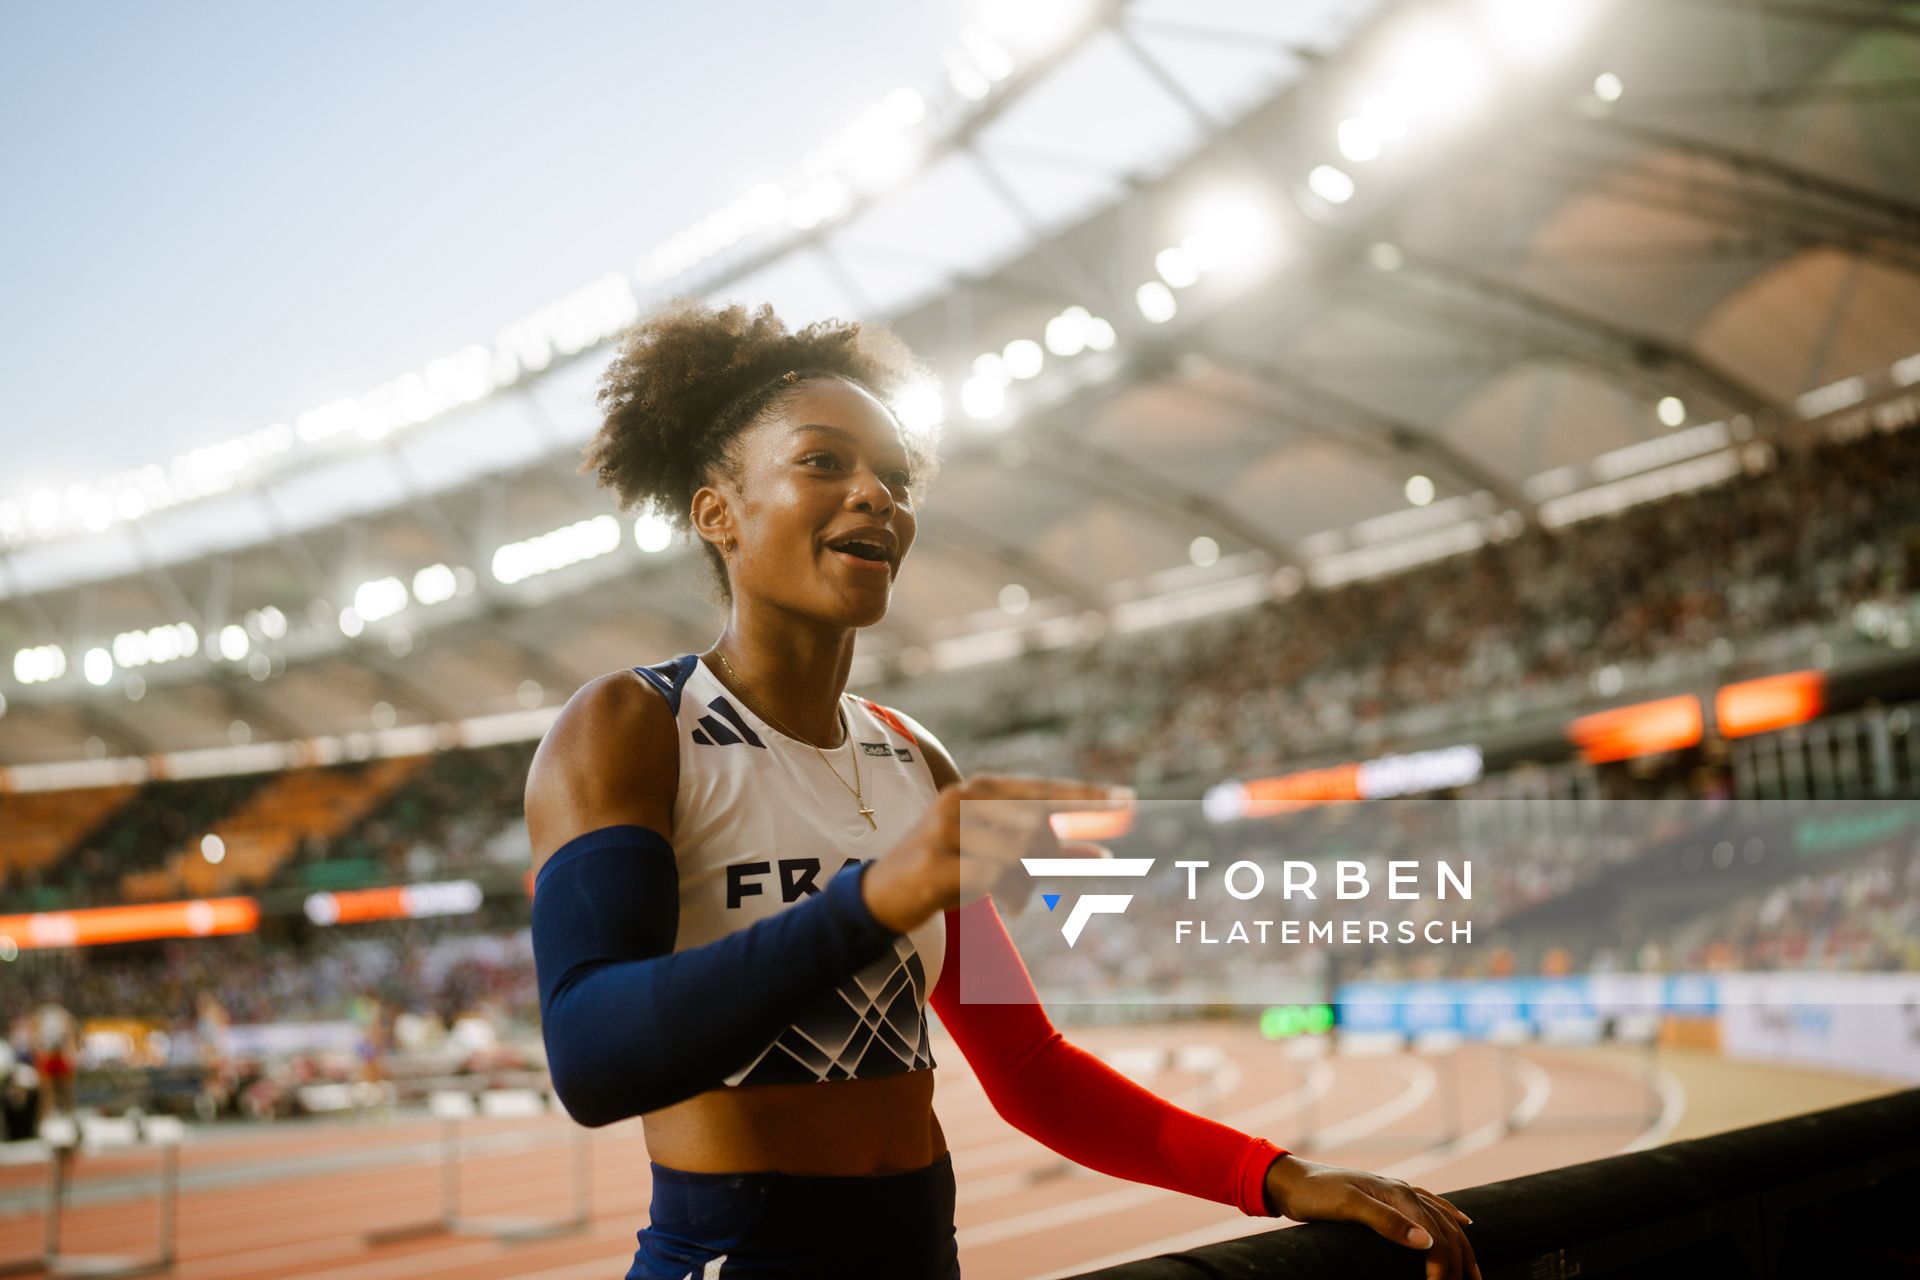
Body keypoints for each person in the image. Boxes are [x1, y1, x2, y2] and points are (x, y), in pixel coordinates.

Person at [526, 300, 1480, 1280]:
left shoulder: (914, 757)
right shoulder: (632, 726)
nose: (876, 497)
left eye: (894, 479)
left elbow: (1029, 1069)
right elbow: (594, 1058)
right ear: (716, 511)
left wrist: (1275, 1175)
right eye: (823, 462)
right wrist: (875, 897)